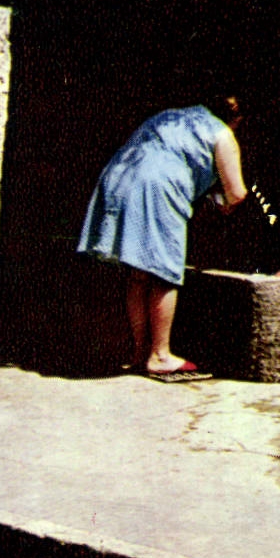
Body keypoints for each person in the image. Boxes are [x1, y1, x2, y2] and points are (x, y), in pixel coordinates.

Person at [77, 95, 247, 378]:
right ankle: (160, 355)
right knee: (163, 272)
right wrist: (220, 201)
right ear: (237, 119)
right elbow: (237, 192)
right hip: (157, 186)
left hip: (120, 176)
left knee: (138, 273)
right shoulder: (222, 133)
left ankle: (140, 351)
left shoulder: (172, 116)